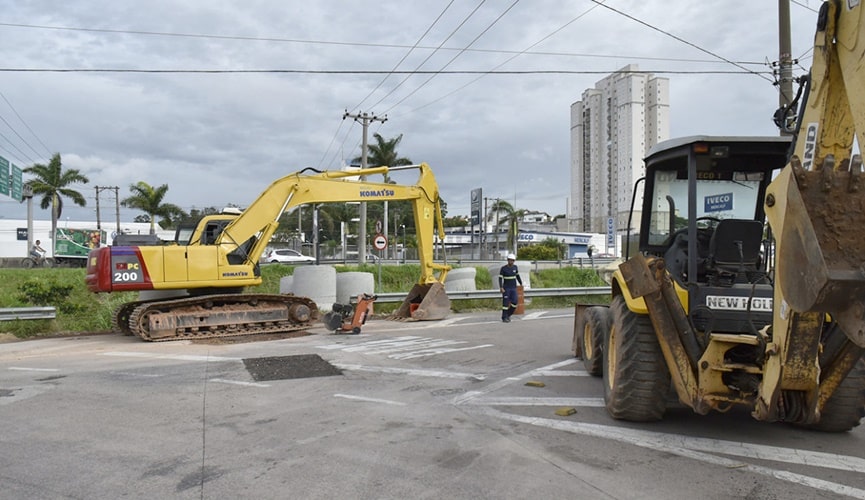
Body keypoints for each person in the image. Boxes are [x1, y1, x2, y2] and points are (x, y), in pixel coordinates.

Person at [498, 253, 523, 323]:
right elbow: (500, 278)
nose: (511, 262)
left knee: (515, 302)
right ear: (507, 260)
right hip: (506, 288)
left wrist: (521, 283)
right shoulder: (503, 268)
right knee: (505, 304)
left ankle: (508, 314)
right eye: (510, 260)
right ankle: (504, 317)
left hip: (513, 288)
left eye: (512, 260)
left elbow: (517, 276)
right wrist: (501, 287)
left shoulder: (515, 267)